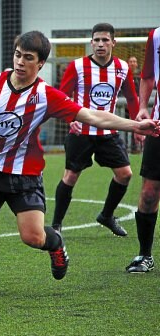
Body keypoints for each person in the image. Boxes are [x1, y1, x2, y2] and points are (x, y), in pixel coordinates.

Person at [0, 30, 159, 292]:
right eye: (17, 55)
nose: (20, 62)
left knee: (33, 237)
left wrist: (135, 126)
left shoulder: (45, 95)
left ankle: (56, 242)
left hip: (24, 176)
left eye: (28, 57)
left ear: (40, 64)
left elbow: (93, 116)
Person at [51, 23, 140, 236]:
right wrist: (68, 117)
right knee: (71, 176)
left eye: (105, 40)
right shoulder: (77, 66)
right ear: (91, 42)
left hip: (108, 133)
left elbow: (131, 98)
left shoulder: (122, 68)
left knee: (125, 174)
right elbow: (61, 96)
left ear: (113, 43)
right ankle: (56, 225)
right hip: (81, 132)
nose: (100, 44)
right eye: (97, 40)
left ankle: (106, 215)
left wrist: (137, 125)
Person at [125, 26, 160, 273]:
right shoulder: (156, 35)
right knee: (149, 193)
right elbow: (148, 76)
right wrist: (143, 108)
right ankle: (144, 255)